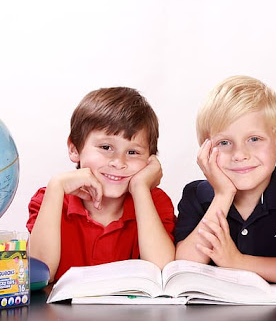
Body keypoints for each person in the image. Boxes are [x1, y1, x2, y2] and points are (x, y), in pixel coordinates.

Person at [27, 87, 176, 282]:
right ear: (74, 149)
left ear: (150, 160)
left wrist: (140, 188)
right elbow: (39, 276)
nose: (119, 162)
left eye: (133, 152)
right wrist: (56, 186)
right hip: (62, 313)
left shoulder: (154, 202)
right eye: (106, 147)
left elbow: (163, 272)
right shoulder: (50, 198)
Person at [174, 75, 276, 283]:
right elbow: (184, 266)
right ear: (205, 150)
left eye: (254, 139)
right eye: (224, 142)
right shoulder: (197, 195)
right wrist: (223, 194)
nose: (239, 154)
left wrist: (238, 262)